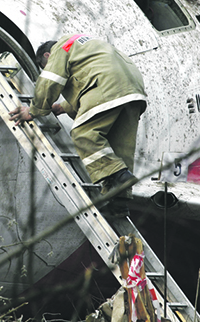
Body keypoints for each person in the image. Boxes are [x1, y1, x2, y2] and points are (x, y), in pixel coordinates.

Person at [8, 34, 147, 215]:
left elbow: (51, 80)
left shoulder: (61, 48)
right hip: (132, 91)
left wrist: (33, 110)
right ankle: (119, 203)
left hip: (107, 85)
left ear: (47, 56)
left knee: (83, 134)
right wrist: (64, 107)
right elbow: (86, 78)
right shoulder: (88, 45)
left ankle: (120, 175)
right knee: (119, 148)